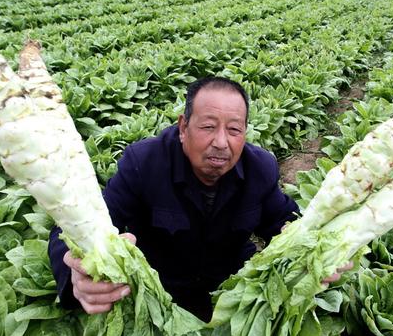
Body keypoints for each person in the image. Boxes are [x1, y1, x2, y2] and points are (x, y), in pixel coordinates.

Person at [48, 76, 351, 321]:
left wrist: (317, 247)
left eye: (234, 130)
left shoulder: (260, 167)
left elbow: (284, 221)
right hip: (161, 293)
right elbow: (81, 224)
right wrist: (75, 274)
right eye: (208, 127)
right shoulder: (144, 163)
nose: (221, 142)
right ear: (183, 127)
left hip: (230, 290)